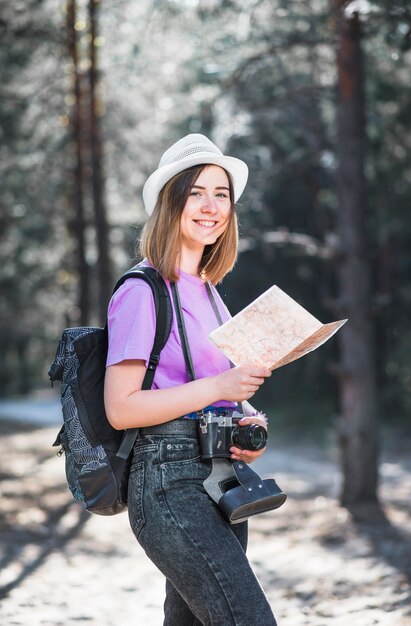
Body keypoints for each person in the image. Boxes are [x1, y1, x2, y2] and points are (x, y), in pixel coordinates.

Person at [104, 134, 276, 625]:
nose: (211, 206)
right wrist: (220, 390)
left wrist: (247, 425)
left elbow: (216, 389)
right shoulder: (143, 289)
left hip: (220, 479)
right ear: (169, 203)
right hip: (168, 483)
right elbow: (122, 407)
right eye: (196, 192)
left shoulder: (208, 291)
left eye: (221, 194)